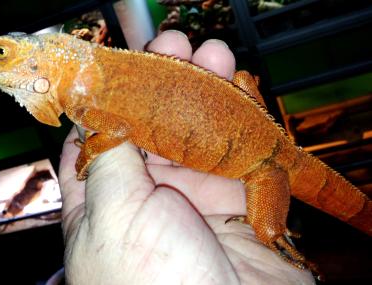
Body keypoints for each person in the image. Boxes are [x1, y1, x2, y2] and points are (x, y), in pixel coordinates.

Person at [58, 30, 315, 284]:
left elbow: (117, 130)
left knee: (267, 231)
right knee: (239, 77)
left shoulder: (85, 91)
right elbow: (244, 80)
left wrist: (90, 153)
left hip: (262, 158)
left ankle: (281, 243)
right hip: (239, 141)